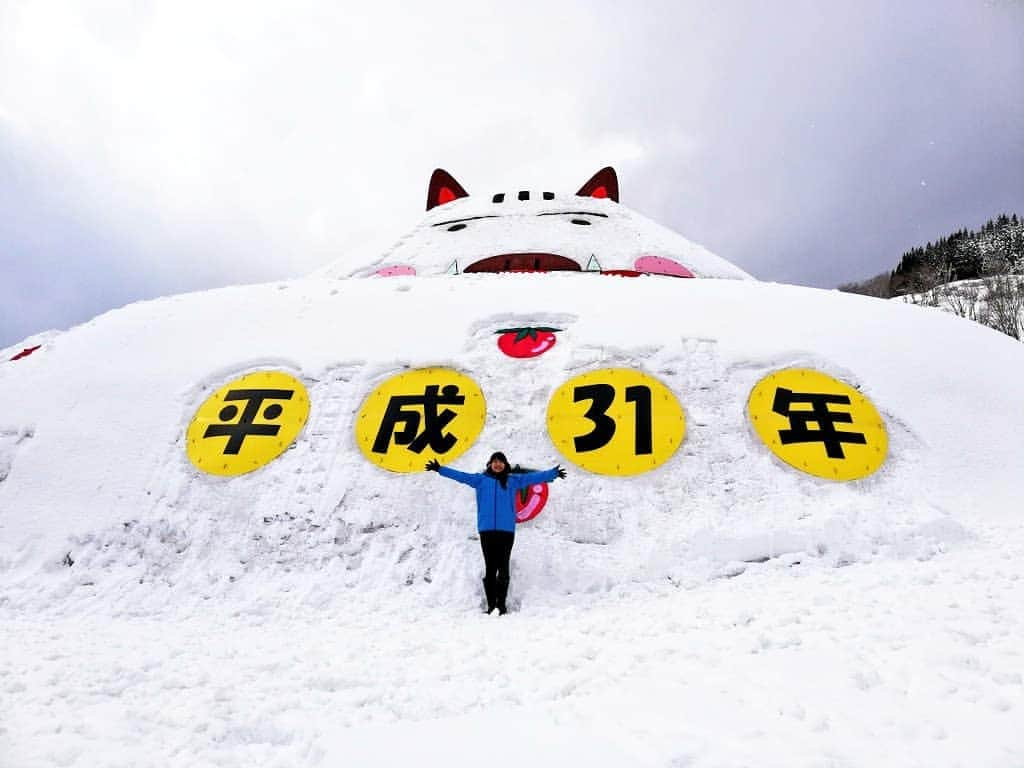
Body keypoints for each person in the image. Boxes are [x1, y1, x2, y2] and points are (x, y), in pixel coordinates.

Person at [426, 451, 567, 614]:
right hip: (486, 530)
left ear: (505, 465)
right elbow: (461, 476)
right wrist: (439, 469)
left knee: (504, 568)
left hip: (506, 530)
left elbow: (534, 478)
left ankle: (501, 605)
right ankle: (491, 605)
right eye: (495, 461)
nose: (497, 464)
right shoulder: (480, 480)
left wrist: (554, 473)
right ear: (490, 464)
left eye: (501, 461)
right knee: (490, 569)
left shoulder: (513, 480)